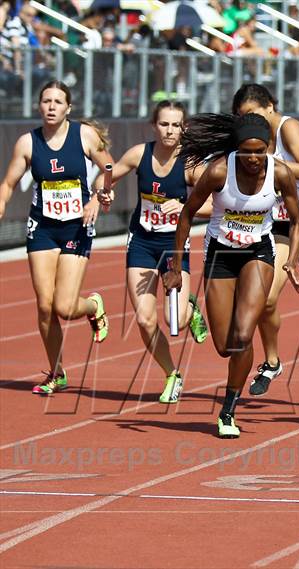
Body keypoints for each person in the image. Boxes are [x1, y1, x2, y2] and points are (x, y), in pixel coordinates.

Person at [163, 112, 299, 438]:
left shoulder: (280, 174)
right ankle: (218, 328)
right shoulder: (218, 171)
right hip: (221, 254)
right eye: (246, 151)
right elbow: (186, 216)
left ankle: (228, 408)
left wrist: (291, 261)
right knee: (224, 346)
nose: (253, 158)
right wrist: (176, 269)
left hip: (258, 253)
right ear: (236, 148)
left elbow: (296, 221)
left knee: (243, 335)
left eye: (260, 151)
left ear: (269, 148)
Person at [0, 80, 112, 394]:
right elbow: (9, 182)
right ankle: (56, 372)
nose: (51, 106)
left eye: (58, 102)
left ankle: (92, 306)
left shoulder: (83, 135)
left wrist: (96, 197)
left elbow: (108, 165)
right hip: (43, 227)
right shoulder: (27, 143)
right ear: (39, 106)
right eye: (46, 101)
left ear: (68, 108)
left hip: (77, 226)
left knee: (64, 305)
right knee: (45, 306)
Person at [232, 84, 299, 408]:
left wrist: (264, 160)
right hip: (279, 224)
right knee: (264, 298)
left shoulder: (287, 128)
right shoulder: (250, 138)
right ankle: (273, 361)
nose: (249, 122)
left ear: (270, 107)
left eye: (253, 114)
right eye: (242, 117)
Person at [96, 100, 209, 404]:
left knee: (177, 321)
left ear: (183, 128)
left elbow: (216, 205)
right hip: (143, 243)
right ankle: (172, 374)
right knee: (145, 320)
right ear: (154, 125)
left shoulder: (191, 164)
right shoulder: (139, 154)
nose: (169, 131)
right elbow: (105, 177)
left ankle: (191, 309)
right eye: (164, 124)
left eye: (175, 125)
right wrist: (103, 190)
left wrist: (187, 207)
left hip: (174, 245)